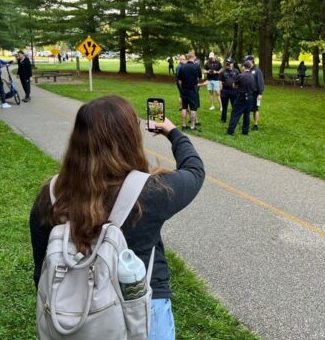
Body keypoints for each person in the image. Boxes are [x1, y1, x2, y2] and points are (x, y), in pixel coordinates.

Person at [29, 95, 204, 340]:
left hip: (68, 315)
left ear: (78, 140)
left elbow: (42, 269)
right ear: (131, 138)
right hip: (143, 310)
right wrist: (172, 131)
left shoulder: (50, 196)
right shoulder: (152, 192)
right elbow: (194, 171)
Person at [227, 60, 255, 136]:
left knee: (235, 114)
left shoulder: (240, 75)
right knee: (247, 115)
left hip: (241, 97)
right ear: (250, 67)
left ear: (243, 67)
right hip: (250, 97)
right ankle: (245, 132)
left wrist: (237, 86)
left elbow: (233, 85)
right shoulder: (252, 76)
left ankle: (230, 131)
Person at [177, 52, 202, 130]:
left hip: (184, 90)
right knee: (193, 108)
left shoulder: (182, 67)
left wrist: (182, 88)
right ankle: (192, 126)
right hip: (192, 90)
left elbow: (179, 81)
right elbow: (199, 78)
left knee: (184, 108)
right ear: (194, 57)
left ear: (188, 57)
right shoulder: (196, 66)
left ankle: (184, 125)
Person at [244, 55, 265, 131]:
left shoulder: (257, 70)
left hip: (255, 93)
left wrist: (260, 93)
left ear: (251, 60)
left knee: (255, 109)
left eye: (247, 60)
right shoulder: (247, 69)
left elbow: (261, 82)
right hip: (248, 92)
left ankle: (255, 124)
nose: (245, 62)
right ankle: (246, 123)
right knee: (247, 108)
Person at [219, 57, 239, 123]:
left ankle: (234, 119)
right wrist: (220, 90)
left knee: (234, 106)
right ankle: (223, 119)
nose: (228, 64)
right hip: (225, 91)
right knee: (224, 106)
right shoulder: (223, 72)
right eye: (227, 63)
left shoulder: (236, 71)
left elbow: (239, 80)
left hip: (234, 91)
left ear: (232, 64)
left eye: (229, 63)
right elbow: (220, 81)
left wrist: (237, 88)